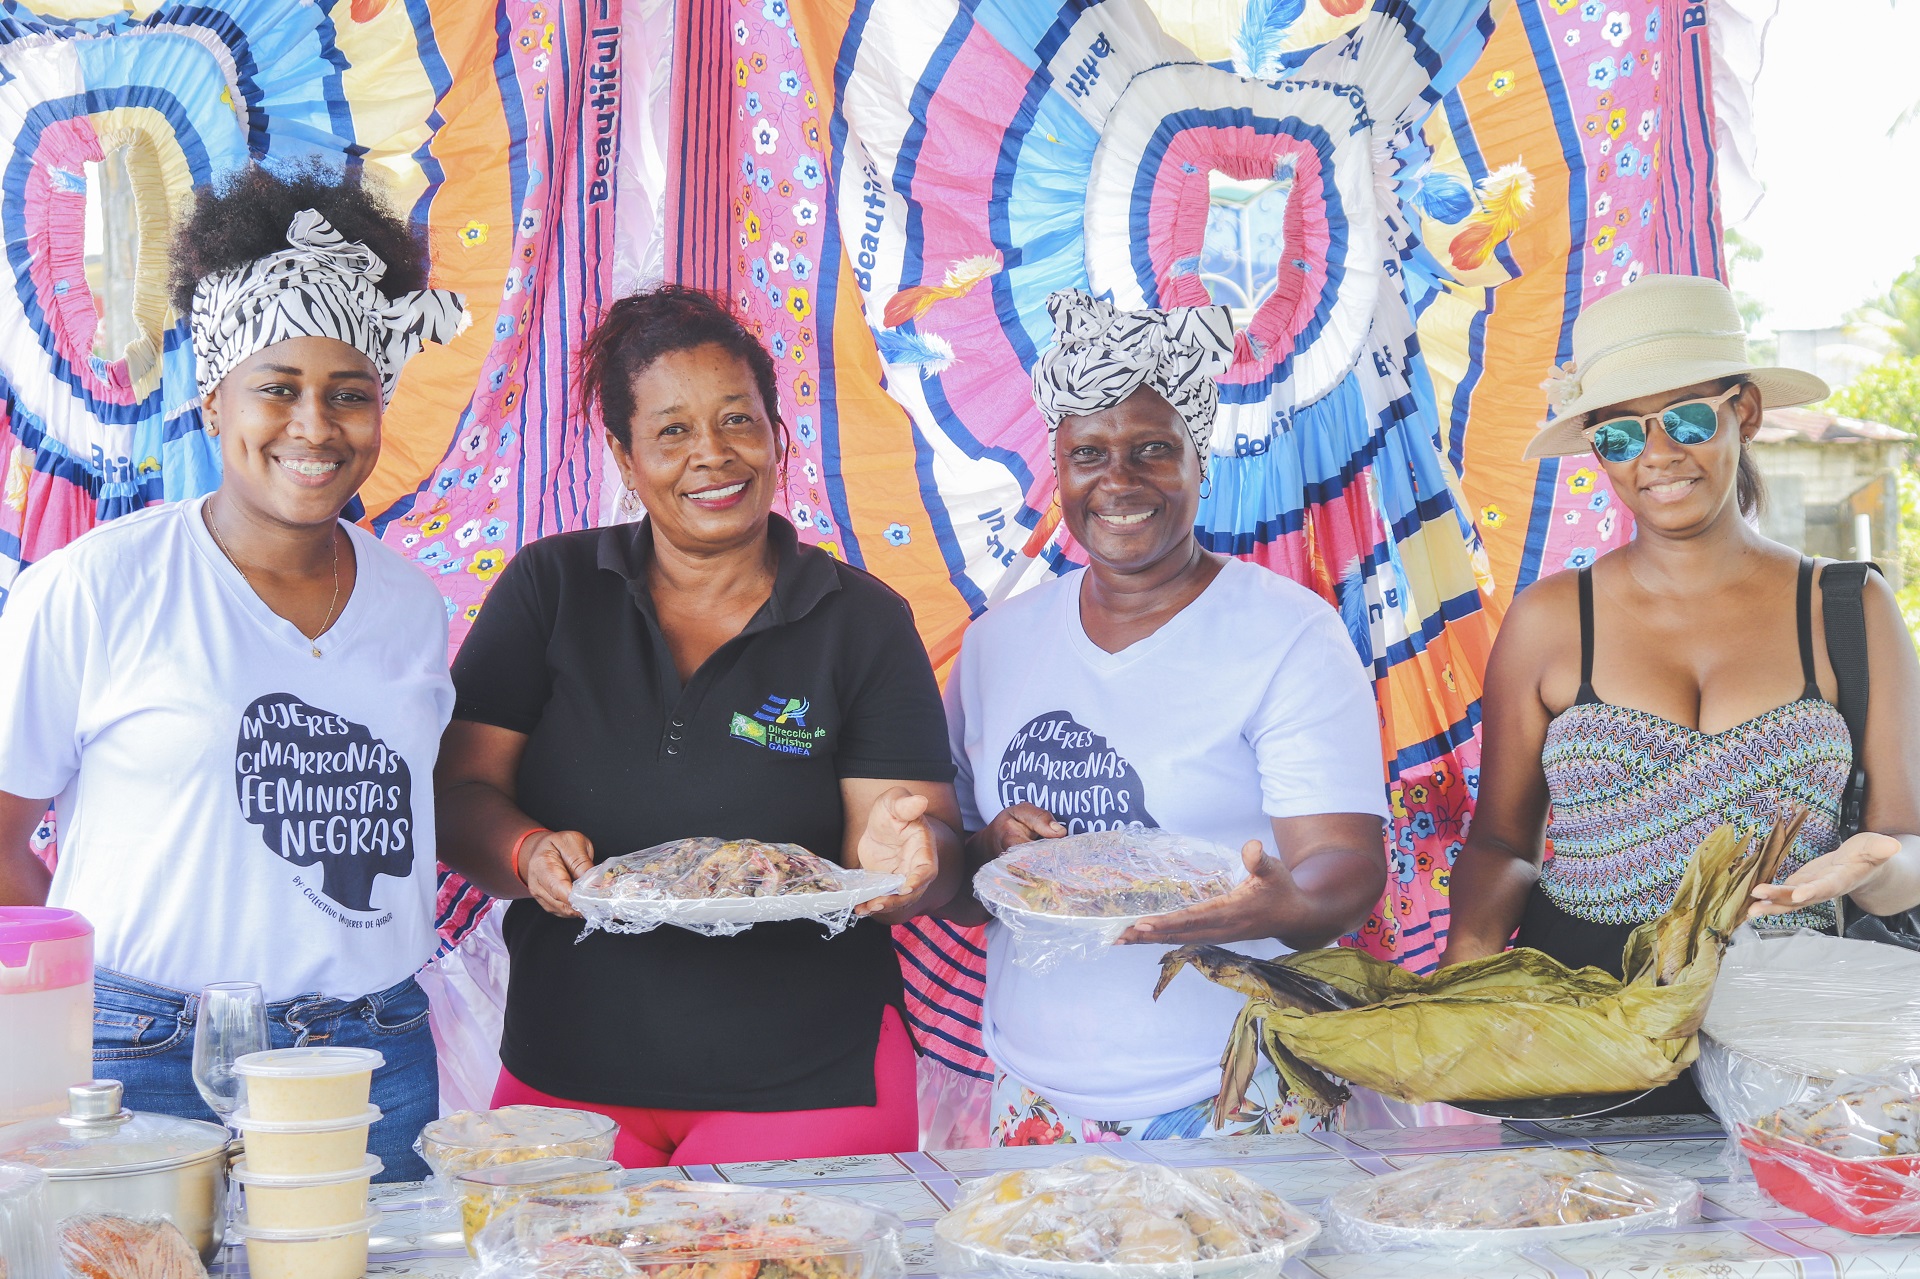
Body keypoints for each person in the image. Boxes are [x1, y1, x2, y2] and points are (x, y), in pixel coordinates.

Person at [0, 163, 468, 1178]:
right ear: (215, 400)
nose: (315, 426)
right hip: (144, 1054)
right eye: (278, 388)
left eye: (350, 395)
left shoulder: (411, 605)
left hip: (371, 1055)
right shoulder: (94, 588)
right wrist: (92, 993)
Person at [436, 285, 965, 1167]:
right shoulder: (550, 590)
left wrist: (907, 857)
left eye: (737, 420)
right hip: (566, 1074)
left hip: (811, 1079)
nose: (712, 454)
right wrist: (525, 850)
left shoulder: (861, 621)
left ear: (777, 435)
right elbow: (458, 793)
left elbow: (921, 848)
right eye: (672, 430)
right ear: (624, 454)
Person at [1442, 274, 1920, 1111]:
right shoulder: (1551, 619)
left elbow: (1904, 843)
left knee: (1788, 1204)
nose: (1657, 454)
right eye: (1620, 434)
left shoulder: (1848, 606)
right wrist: (1463, 976)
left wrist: (1872, 871)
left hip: (1793, 1038)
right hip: (1586, 1031)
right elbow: (1503, 841)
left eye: (1688, 419)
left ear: (1746, 413)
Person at [941, 291, 1390, 1143]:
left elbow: (1347, 865)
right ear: (1059, 469)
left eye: (1153, 449)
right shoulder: (998, 643)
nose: (1118, 481)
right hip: (1036, 1102)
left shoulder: (1288, 634)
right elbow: (959, 881)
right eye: (1089, 453)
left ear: (1197, 461)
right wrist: (989, 848)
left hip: (1237, 1096)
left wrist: (1276, 905)